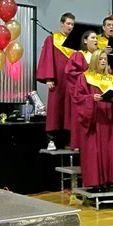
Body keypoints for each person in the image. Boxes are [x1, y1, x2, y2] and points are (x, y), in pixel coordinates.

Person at [73, 49, 113, 192]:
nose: (103, 61)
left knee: (108, 150)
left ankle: (107, 181)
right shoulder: (85, 77)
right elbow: (77, 99)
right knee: (93, 152)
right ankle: (95, 183)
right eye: (100, 59)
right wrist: (91, 98)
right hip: (93, 120)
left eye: (105, 59)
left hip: (108, 119)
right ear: (95, 60)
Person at [36, 12, 75, 149]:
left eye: (72, 24)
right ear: (62, 24)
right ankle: (51, 140)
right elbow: (47, 59)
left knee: (69, 110)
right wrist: (48, 78)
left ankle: (69, 140)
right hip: (57, 81)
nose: (70, 26)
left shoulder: (75, 43)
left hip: (71, 82)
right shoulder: (52, 39)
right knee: (55, 109)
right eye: (68, 23)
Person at [64, 30, 98, 150]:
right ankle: (79, 144)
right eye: (93, 38)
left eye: (96, 38)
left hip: (96, 93)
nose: (96, 40)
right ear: (85, 40)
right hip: (83, 92)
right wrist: (87, 74)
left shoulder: (99, 57)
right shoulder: (78, 55)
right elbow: (70, 73)